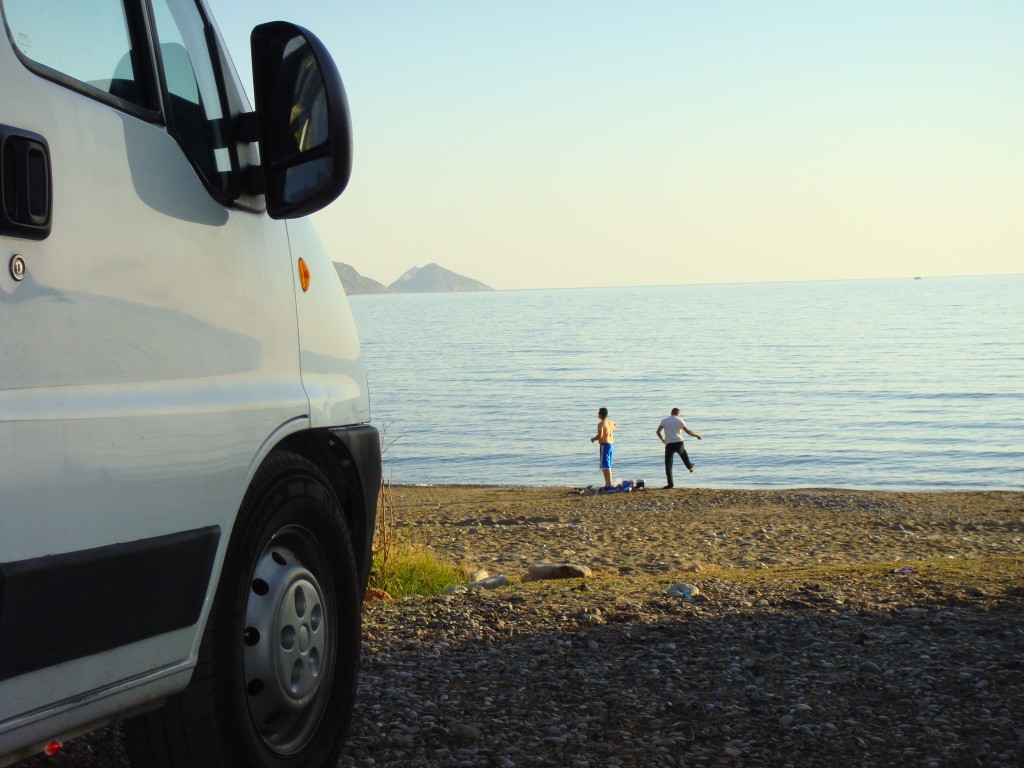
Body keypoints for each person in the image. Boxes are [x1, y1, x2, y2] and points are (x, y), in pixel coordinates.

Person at [656, 408, 702, 488]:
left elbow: (658, 432)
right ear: (678, 413)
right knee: (684, 455)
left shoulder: (664, 421)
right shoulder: (680, 420)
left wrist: (663, 440)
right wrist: (697, 435)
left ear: (671, 413)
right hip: (679, 443)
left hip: (669, 444)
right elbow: (688, 432)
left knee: (668, 465)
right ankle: (690, 466)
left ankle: (670, 484)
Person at [590, 407, 617, 488]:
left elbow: (600, 436)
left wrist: (593, 439)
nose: (597, 414)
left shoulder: (601, 424)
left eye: (598, 413)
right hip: (611, 445)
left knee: (605, 465)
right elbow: (614, 427)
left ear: (601, 414)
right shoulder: (610, 422)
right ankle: (608, 483)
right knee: (608, 465)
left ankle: (608, 484)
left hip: (605, 445)